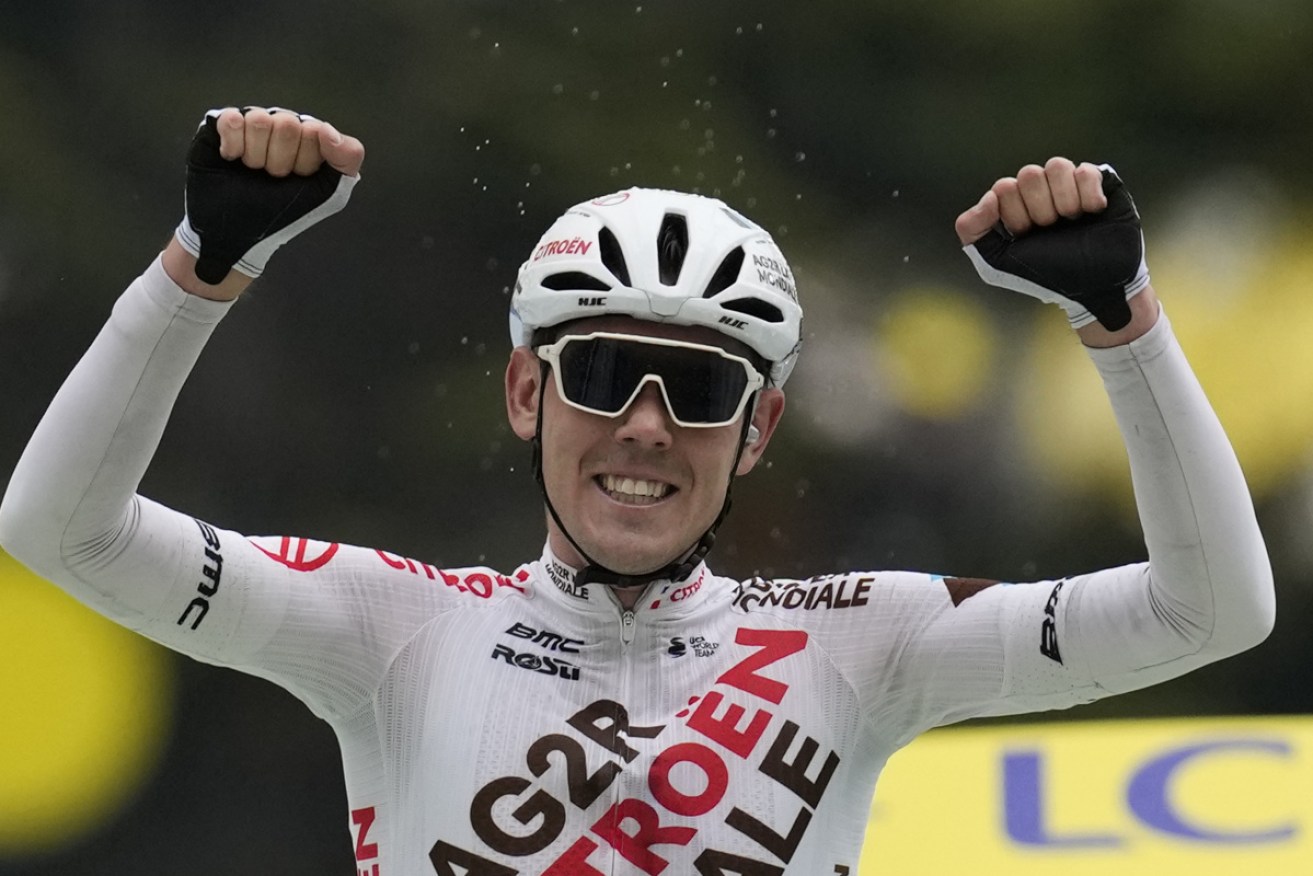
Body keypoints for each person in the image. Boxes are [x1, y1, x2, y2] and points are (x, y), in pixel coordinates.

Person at [0, 106, 1274, 875]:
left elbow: (1208, 611)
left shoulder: (866, 639)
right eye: (603, 373)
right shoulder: (385, 628)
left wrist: (1122, 325)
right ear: (522, 394)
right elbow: (61, 530)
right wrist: (198, 268)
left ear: (761, 430)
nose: (647, 428)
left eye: (701, 393)